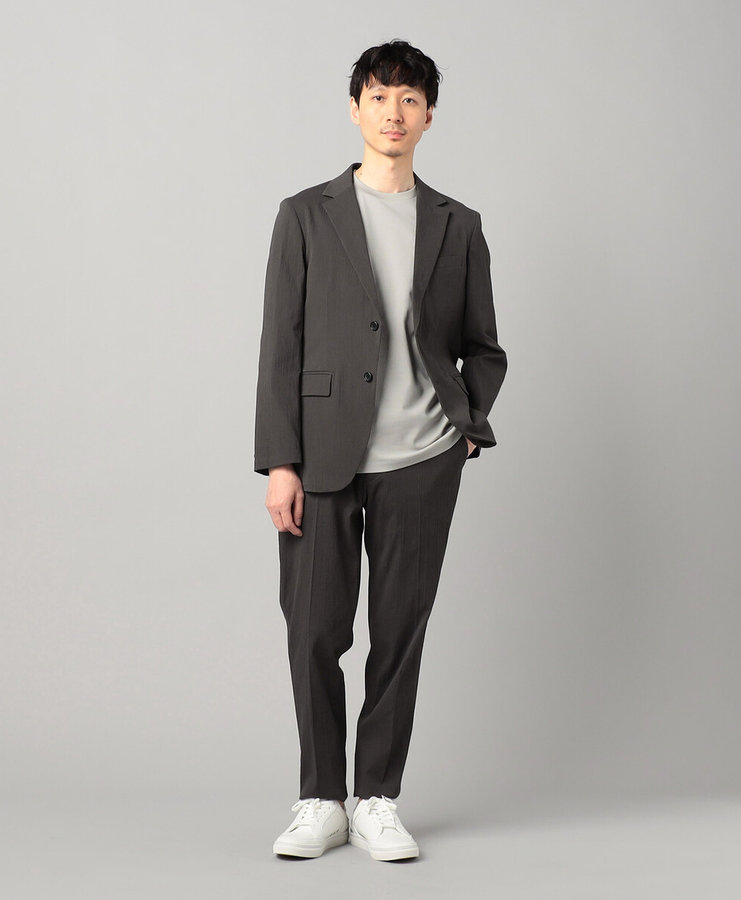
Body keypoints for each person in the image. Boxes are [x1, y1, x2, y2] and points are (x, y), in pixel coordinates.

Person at [253, 38, 508, 861]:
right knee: (313, 631)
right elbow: (280, 348)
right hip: (322, 460)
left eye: (410, 99)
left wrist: (464, 427)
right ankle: (320, 799)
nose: (393, 112)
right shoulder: (305, 214)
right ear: (355, 107)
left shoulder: (458, 225)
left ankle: (377, 799)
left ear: (429, 116)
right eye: (379, 96)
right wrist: (280, 462)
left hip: (422, 461)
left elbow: (484, 346)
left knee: (400, 633)